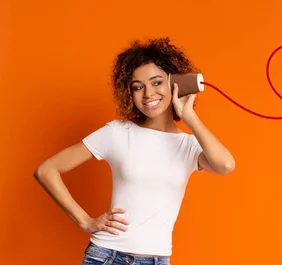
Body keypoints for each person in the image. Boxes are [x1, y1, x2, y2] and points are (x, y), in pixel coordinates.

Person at [33, 37, 236, 265]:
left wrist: (189, 115)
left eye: (157, 82)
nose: (148, 94)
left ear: (174, 83)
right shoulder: (117, 133)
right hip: (107, 257)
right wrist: (85, 221)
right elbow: (46, 170)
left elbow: (225, 165)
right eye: (138, 87)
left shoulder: (188, 146)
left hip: (158, 260)